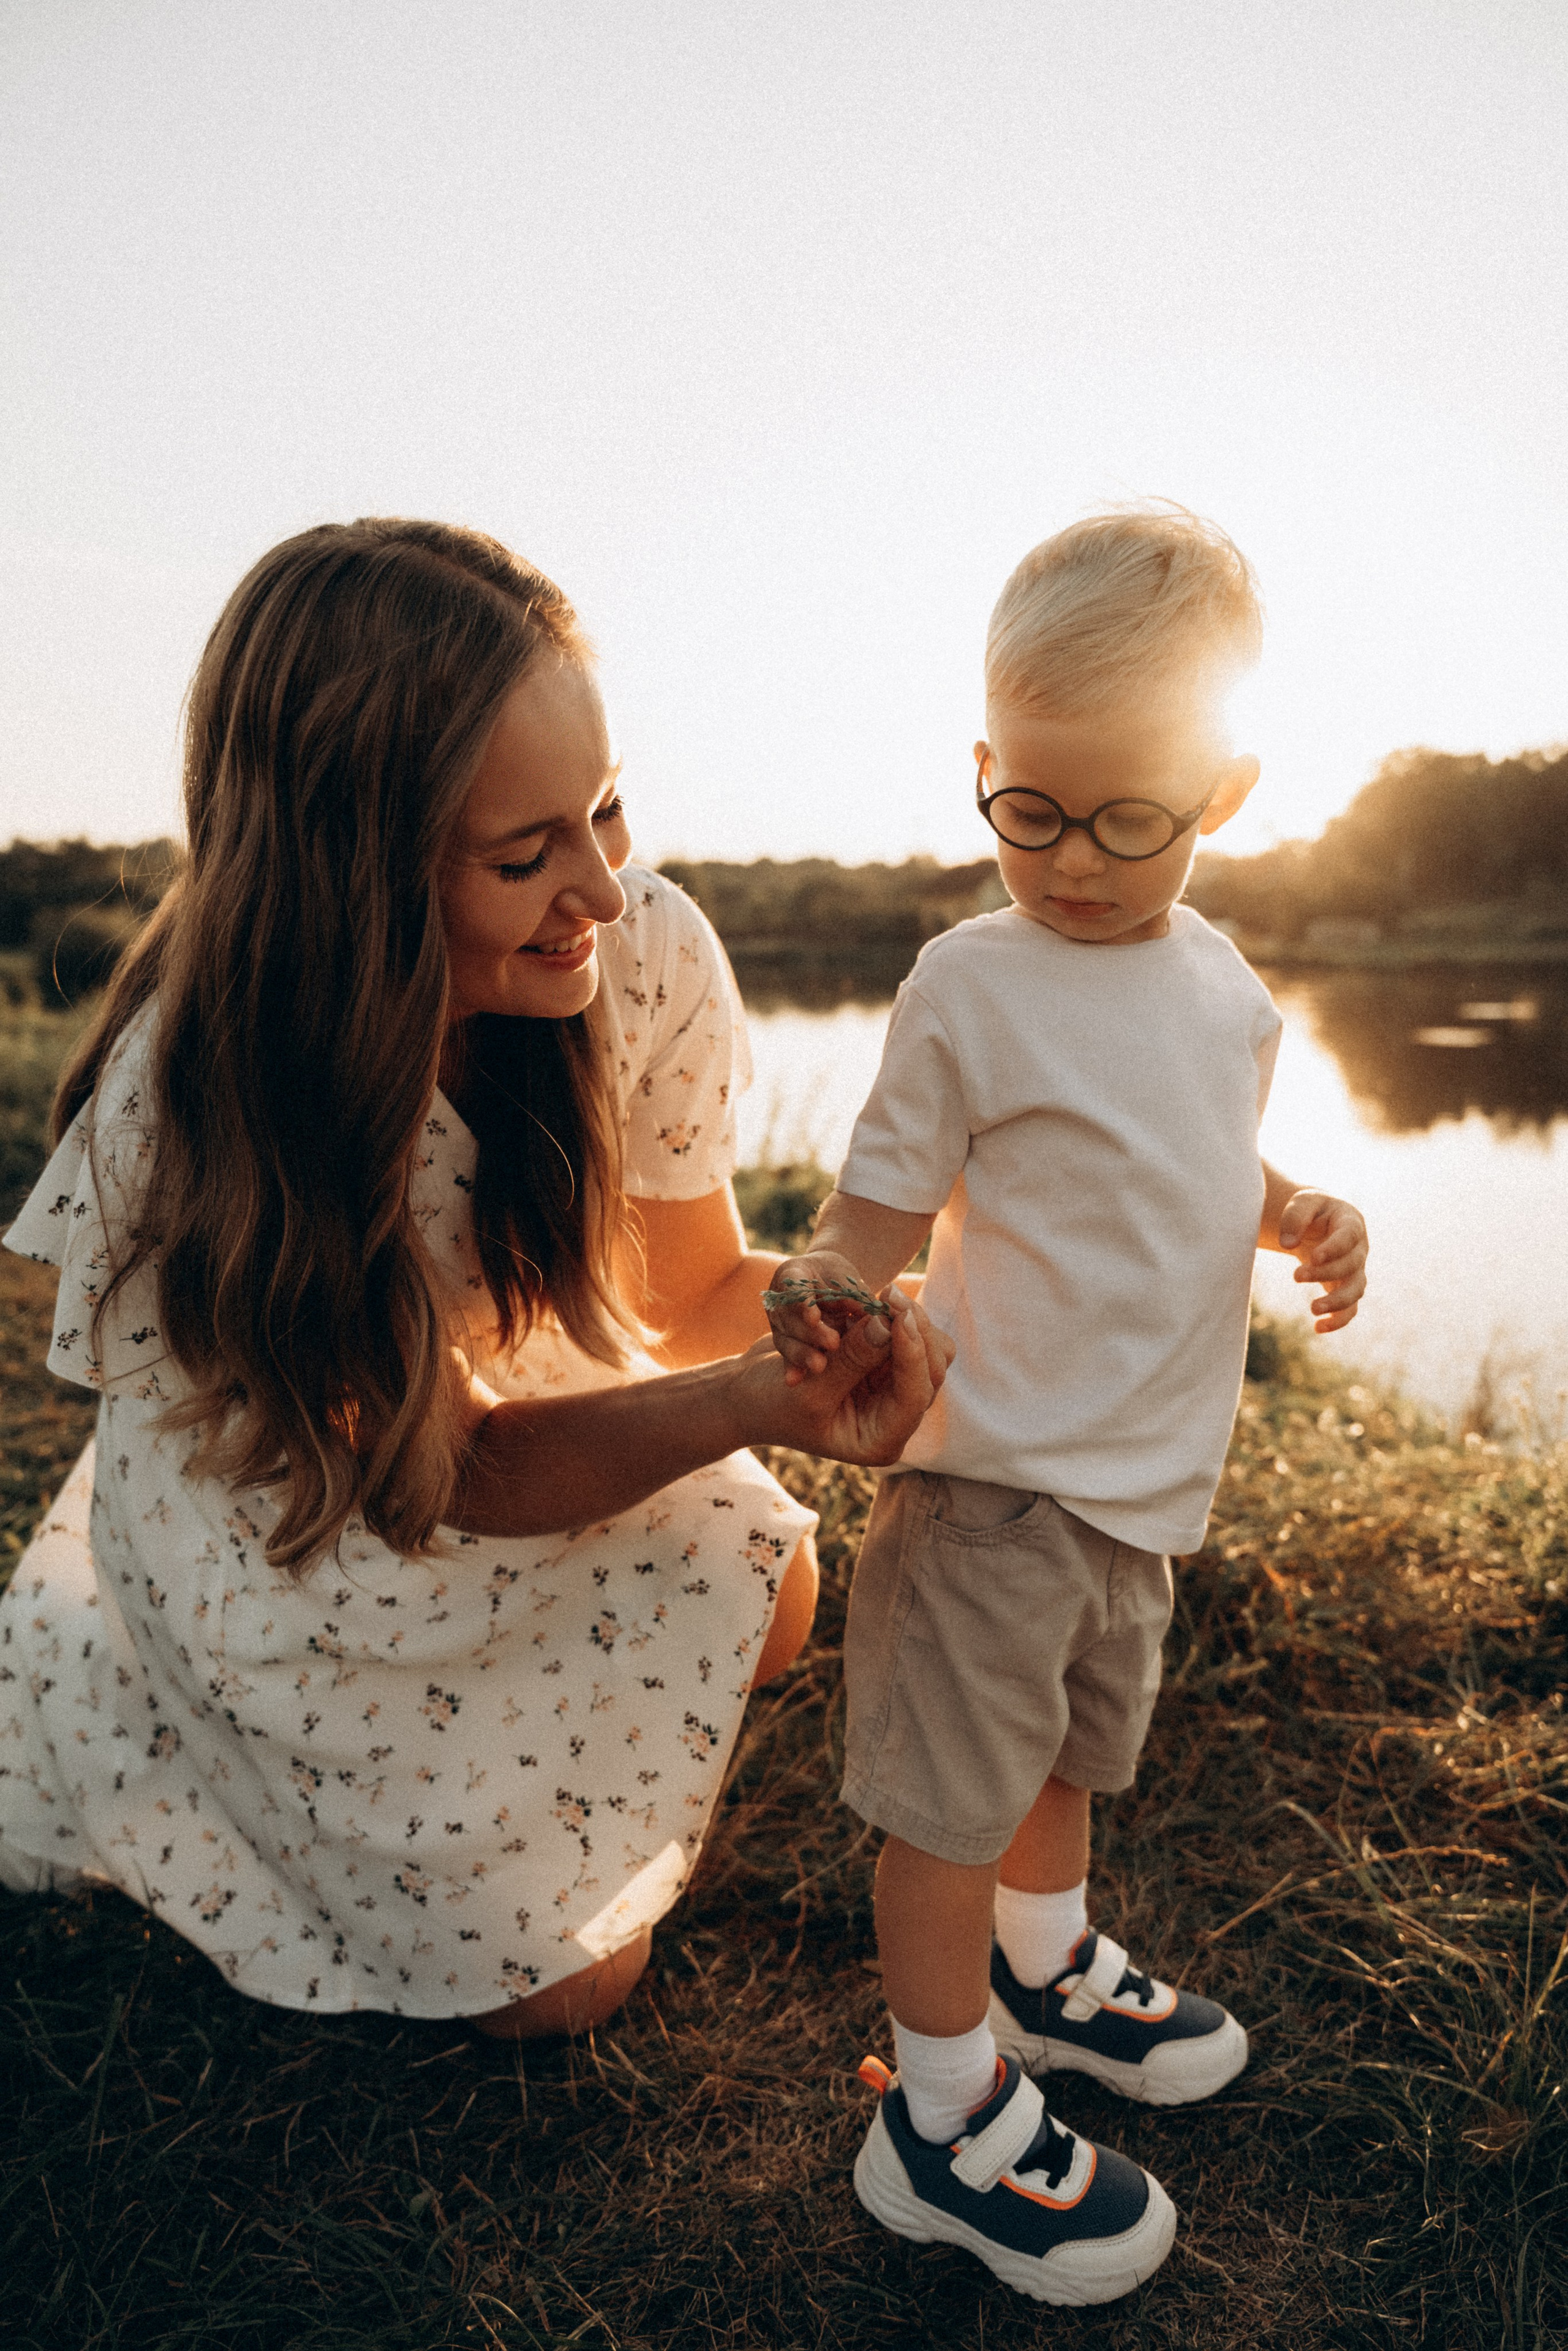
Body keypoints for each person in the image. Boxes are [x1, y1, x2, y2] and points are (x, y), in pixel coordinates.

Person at [0, 518, 948, 2040]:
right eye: (527, 853)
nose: (602, 886)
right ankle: (145, 1714)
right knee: (566, 1988)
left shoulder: (636, 955)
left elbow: (698, 1286)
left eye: (607, 807)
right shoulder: (206, 1097)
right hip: (304, 1517)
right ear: (354, 878)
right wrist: (754, 1401)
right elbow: (458, 1469)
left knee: (775, 1591)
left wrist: (906, 1306)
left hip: (487, 1425)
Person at [765, 506, 1370, 2305]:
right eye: (1030, 809)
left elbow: (1201, 1147)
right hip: (988, 1481)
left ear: (1227, 789)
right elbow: (872, 1215)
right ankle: (938, 2111)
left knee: (1065, 1758)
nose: (1078, 861)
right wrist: (832, 1302)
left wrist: (1295, 1208)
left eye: (1130, 819)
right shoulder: (970, 981)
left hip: (1139, 1487)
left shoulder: (1226, 988)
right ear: (983, 765)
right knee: (952, 1799)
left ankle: (1050, 1962)